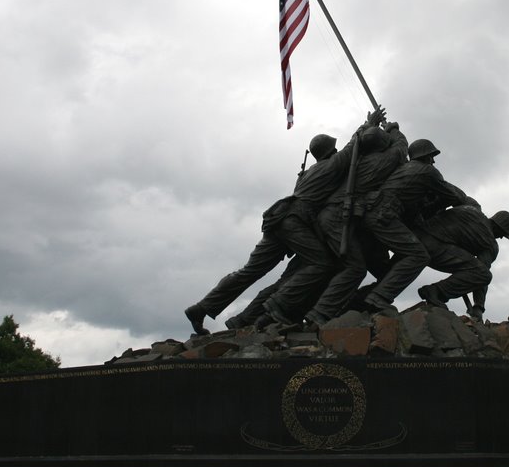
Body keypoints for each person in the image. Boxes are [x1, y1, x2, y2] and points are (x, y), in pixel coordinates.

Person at [184, 109, 384, 335]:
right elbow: (353, 148)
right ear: (331, 152)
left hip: (278, 218)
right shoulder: (330, 167)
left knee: (250, 271)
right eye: (334, 149)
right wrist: (369, 124)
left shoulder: (309, 172)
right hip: (294, 221)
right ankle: (276, 307)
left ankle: (202, 308)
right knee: (322, 264)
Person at [302, 121, 408, 327]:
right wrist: (394, 130)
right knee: (355, 268)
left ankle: (343, 306)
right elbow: (400, 149)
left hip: (331, 218)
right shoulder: (380, 162)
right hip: (336, 218)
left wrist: (369, 124)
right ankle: (320, 313)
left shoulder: (352, 161)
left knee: (352, 266)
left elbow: (353, 143)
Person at [358, 138, 466, 311]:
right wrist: (435, 205)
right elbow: (454, 197)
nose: (433, 160)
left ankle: (359, 300)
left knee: (387, 269)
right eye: (432, 156)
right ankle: (378, 298)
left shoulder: (403, 169)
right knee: (419, 256)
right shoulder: (428, 172)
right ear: (425, 156)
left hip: (372, 214)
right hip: (384, 215)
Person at [414, 204, 509, 320]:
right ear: (499, 227)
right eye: (503, 234)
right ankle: (435, 291)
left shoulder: (471, 209)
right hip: (433, 247)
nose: (501, 237)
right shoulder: (490, 244)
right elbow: (481, 275)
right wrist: (479, 307)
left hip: (415, 235)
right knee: (483, 274)